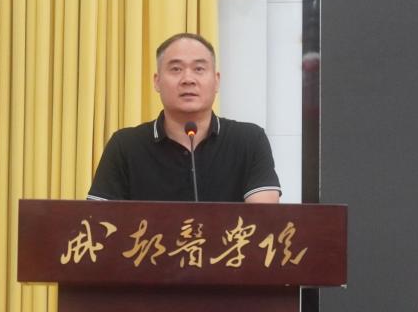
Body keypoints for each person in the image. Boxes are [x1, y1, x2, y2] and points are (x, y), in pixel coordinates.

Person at [87, 32, 281, 203]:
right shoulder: (125, 145)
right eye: (176, 69)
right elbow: (99, 221)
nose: (188, 79)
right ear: (157, 81)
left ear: (216, 81)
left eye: (199, 69)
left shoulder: (249, 140)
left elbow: (264, 218)